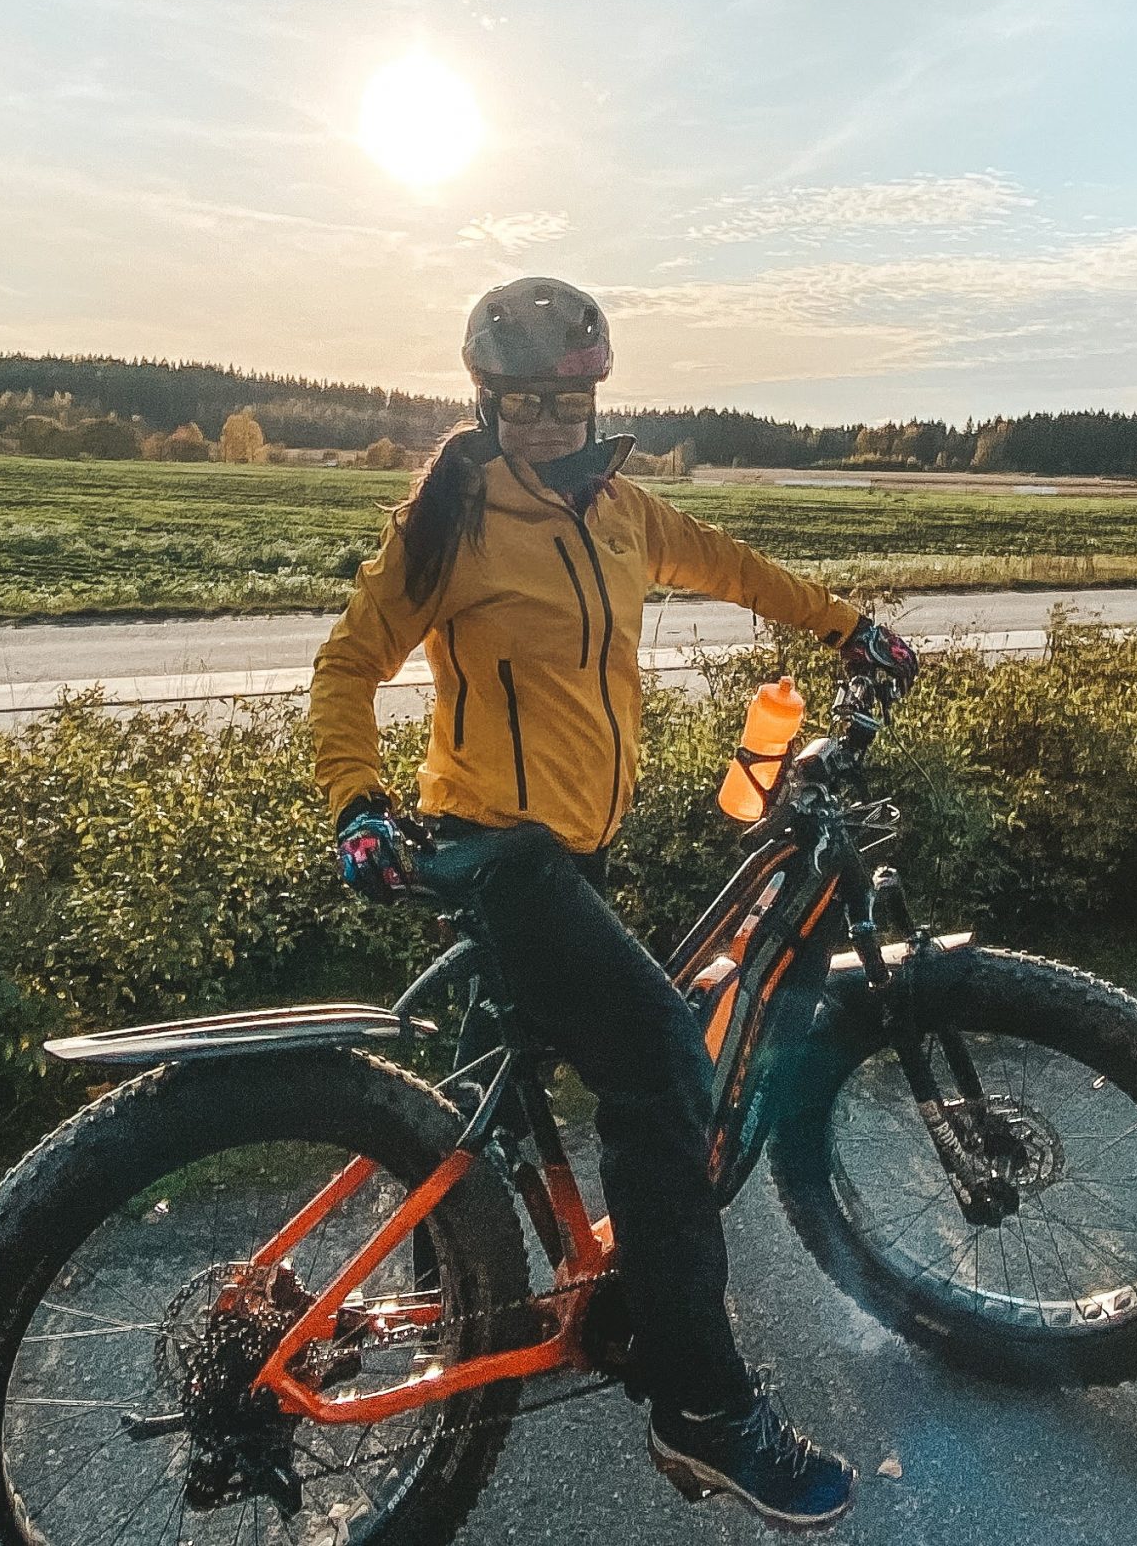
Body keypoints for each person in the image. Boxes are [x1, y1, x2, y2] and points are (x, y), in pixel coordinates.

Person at [307, 276, 918, 1533]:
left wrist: (853, 625)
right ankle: (701, 1407)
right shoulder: (455, 518)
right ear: (485, 401)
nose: (541, 421)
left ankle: (468, 1317)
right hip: (503, 850)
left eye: (564, 399)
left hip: (568, 854)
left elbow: (739, 568)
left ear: (596, 395)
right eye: (517, 402)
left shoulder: (626, 511)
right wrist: (356, 801)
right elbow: (348, 660)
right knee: (659, 1077)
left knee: (495, 1101)